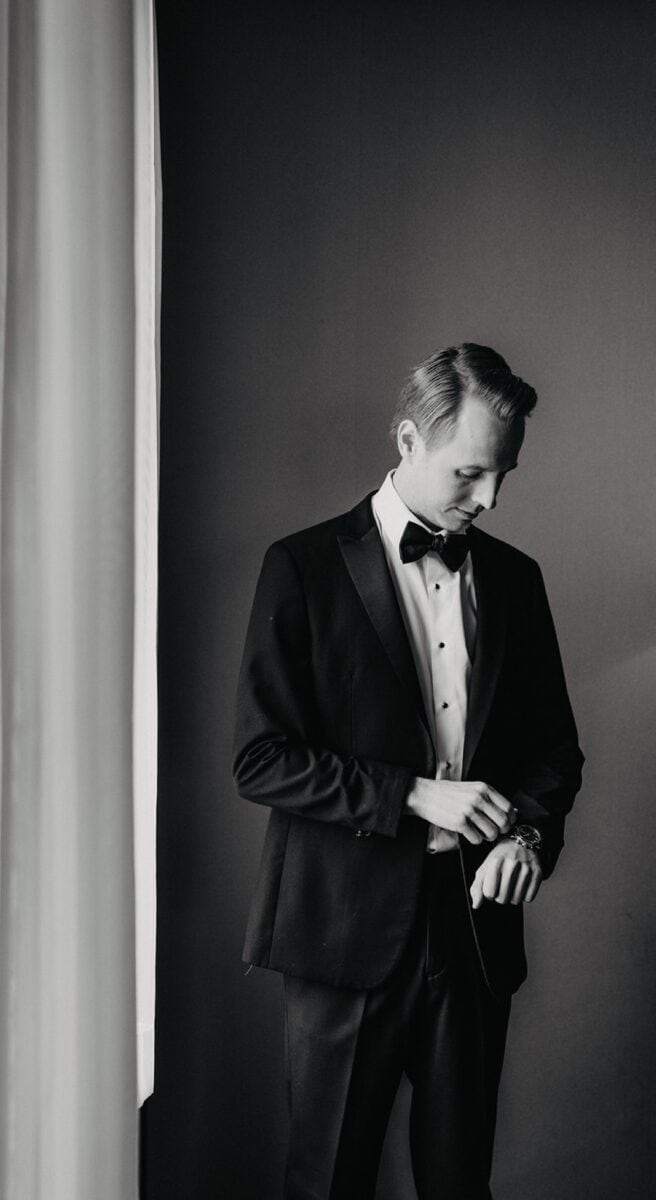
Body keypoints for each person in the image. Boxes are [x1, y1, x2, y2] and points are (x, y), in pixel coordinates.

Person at [232, 344, 583, 1200]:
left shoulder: (515, 579)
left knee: (460, 1183)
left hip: (471, 935)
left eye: (503, 476)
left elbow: (554, 752)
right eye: (470, 473)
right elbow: (260, 758)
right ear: (406, 439)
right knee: (328, 1183)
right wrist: (413, 795)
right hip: (342, 931)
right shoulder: (303, 567)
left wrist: (528, 837)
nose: (490, 498)